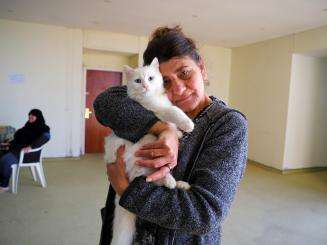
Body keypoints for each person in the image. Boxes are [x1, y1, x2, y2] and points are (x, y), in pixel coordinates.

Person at [94, 26, 248, 245]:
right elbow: (104, 102)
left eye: (185, 73)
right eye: (165, 81)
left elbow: (205, 214)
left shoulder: (227, 124)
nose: (178, 89)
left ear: (201, 68)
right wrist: (163, 129)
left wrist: (126, 190)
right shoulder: (149, 102)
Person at [0, 109, 50, 193]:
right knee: (1, 154)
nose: (30, 116)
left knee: (5, 160)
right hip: (17, 149)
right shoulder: (28, 125)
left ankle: (4, 186)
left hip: (27, 154)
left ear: (38, 117)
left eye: (33, 115)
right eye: (29, 115)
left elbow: (46, 137)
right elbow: (21, 138)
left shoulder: (43, 128)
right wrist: (9, 143)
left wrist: (31, 147)